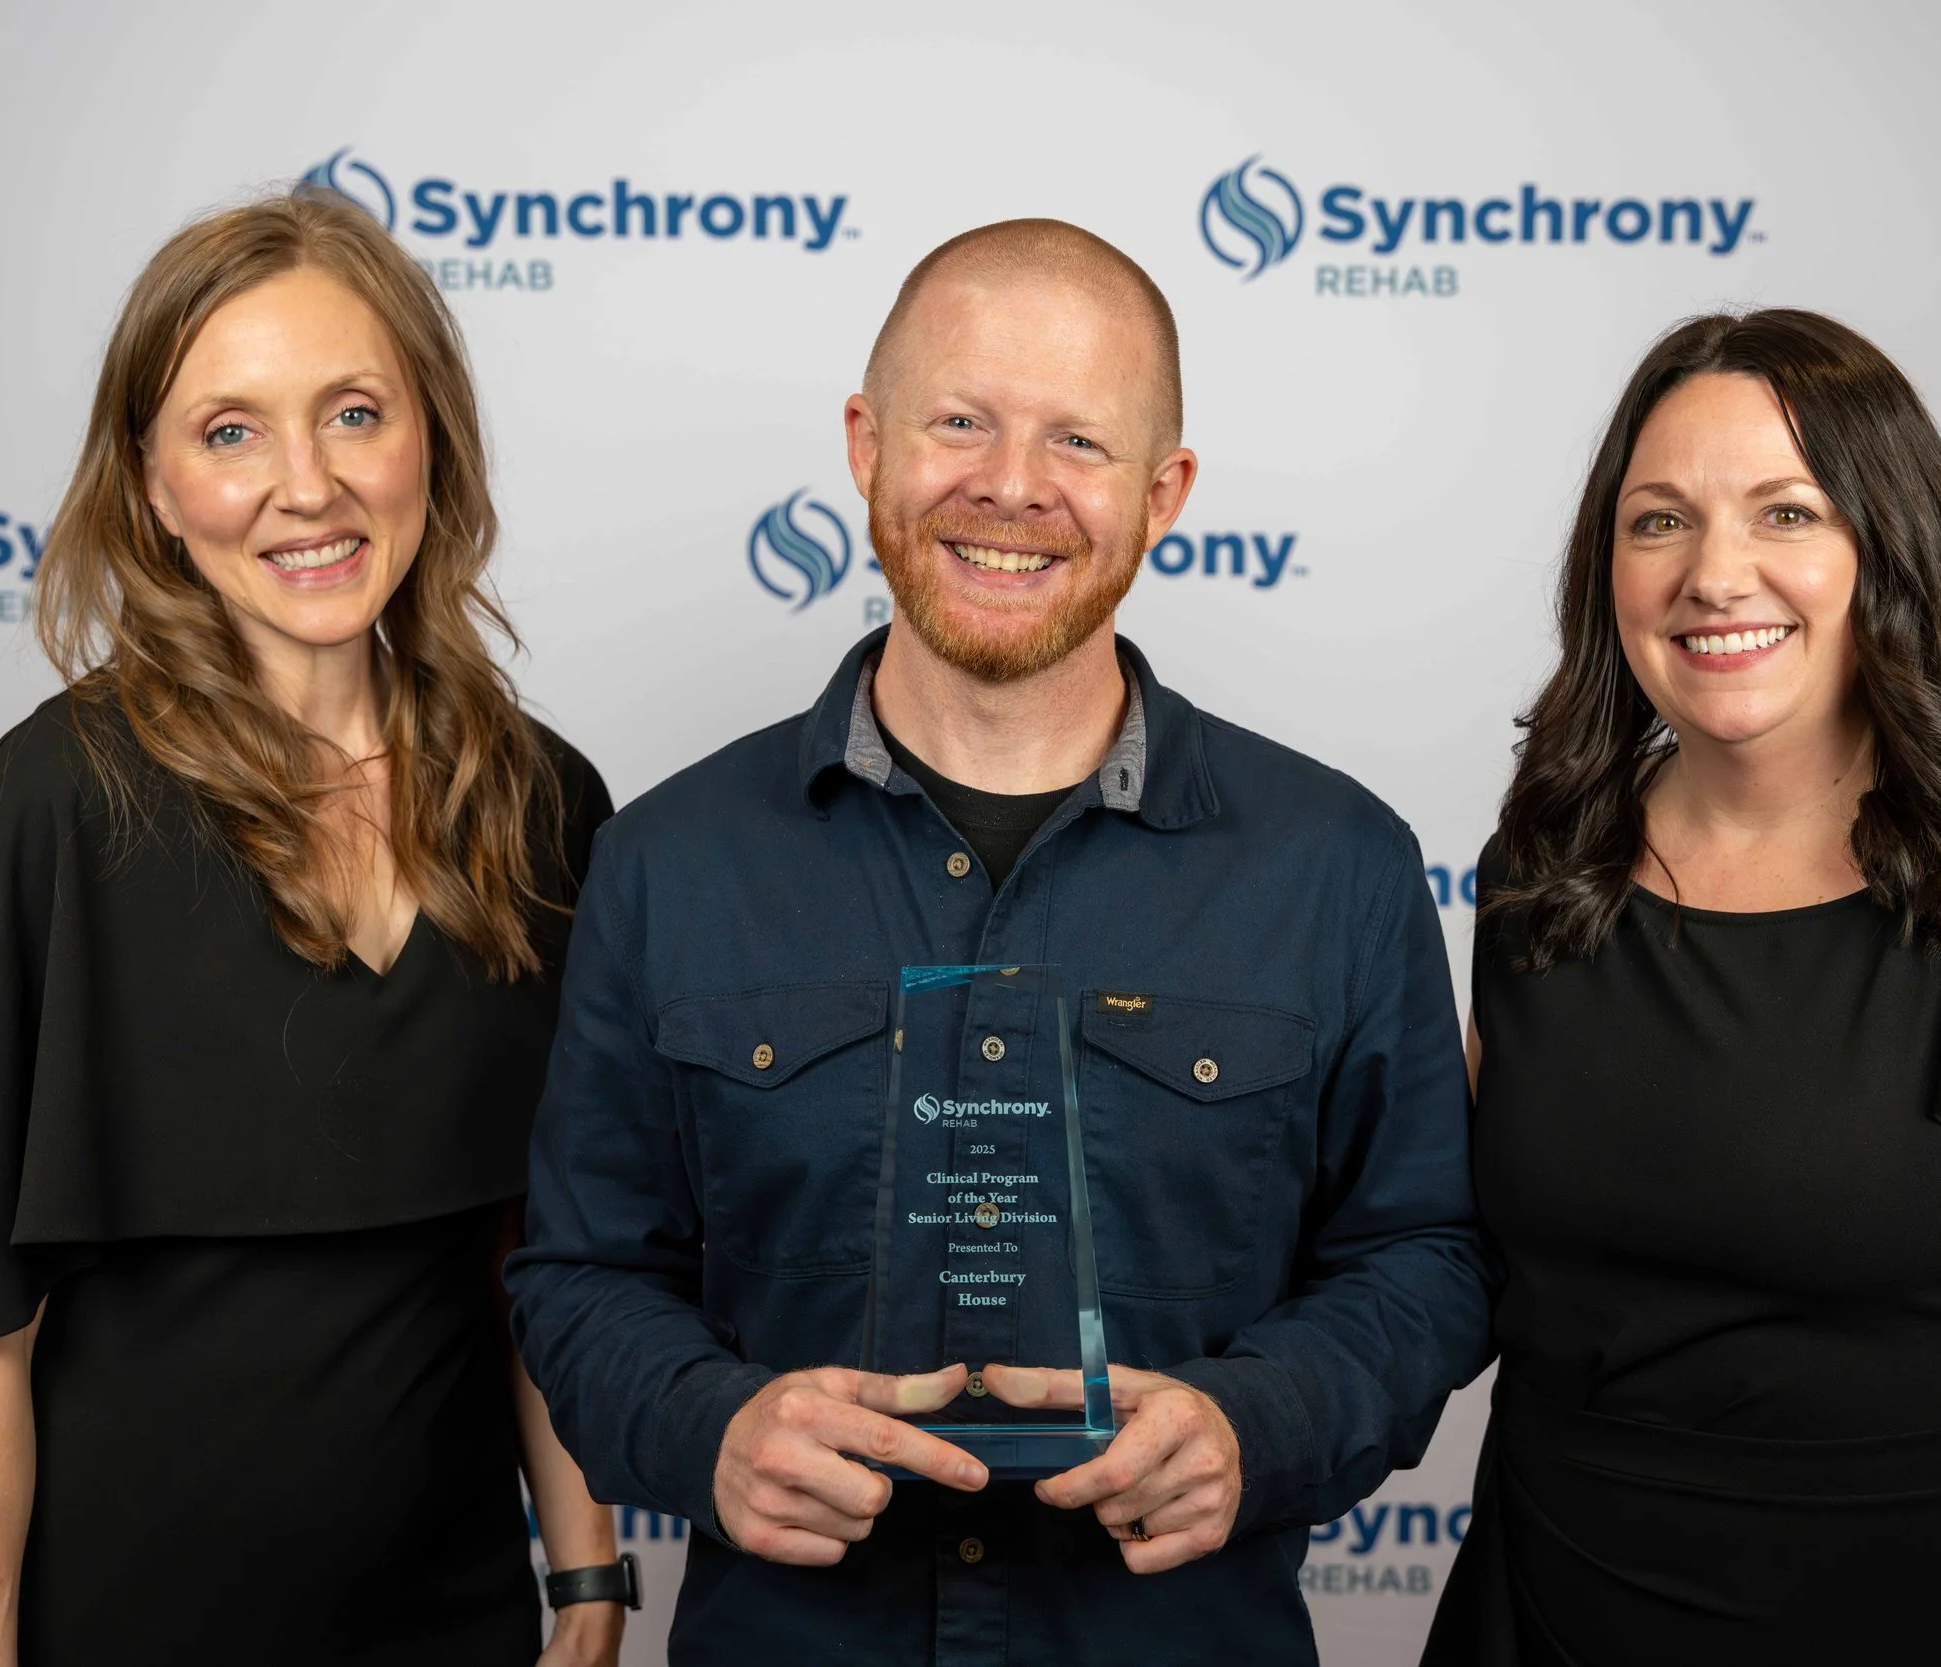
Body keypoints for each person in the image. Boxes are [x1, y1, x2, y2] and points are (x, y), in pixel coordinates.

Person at [507, 218, 1495, 1665]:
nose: (1012, 485)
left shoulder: (1336, 866)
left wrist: (1261, 1423)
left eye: (1079, 440)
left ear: (1165, 494)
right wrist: (706, 1427)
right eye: (959, 421)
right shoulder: (668, 862)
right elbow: (581, 1274)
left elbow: (1422, 1259)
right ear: (866, 445)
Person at [0, 190, 630, 1667]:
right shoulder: (57, 807)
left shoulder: (543, 804)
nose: (306, 487)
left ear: (432, 439)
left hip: (455, 1628)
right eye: (231, 432)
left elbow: (540, 1255)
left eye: (354, 413)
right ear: (150, 483)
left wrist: (587, 1577)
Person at [1425, 309, 1941, 1666]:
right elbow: (1461, 1264)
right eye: (1659, 522)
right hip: (1544, 1619)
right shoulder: (1543, 873)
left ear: (1889, 546)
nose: (1716, 574)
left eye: (1787, 512)